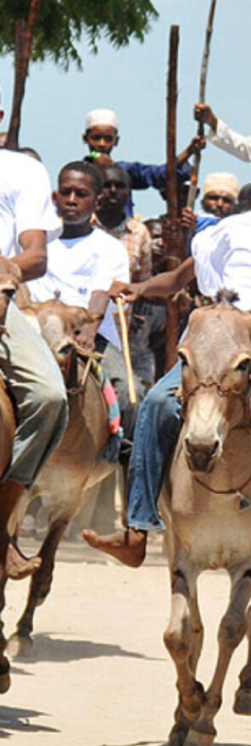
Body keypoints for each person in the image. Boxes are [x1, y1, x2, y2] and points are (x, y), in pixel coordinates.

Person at [82, 141, 251, 604]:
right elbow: (182, 280)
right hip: (221, 332)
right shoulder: (230, 229)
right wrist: (139, 287)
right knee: (158, 404)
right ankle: (138, 530)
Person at [0, 125, 69, 579]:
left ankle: (1, 524)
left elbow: (36, 255)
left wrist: (6, 267)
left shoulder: (22, 169)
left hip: (0, 297)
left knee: (49, 397)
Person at [31, 162, 136, 428]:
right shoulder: (38, 244)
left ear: (97, 200)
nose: (72, 200)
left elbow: (101, 292)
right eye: (66, 193)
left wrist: (88, 333)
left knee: (127, 391)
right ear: (55, 197)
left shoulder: (109, 248)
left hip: (92, 337)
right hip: (40, 335)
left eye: (81, 194)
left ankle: (123, 456)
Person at [93, 164, 161, 390]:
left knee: (130, 394)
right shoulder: (79, 227)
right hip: (83, 327)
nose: (112, 191)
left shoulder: (140, 233)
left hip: (123, 335)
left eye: (119, 186)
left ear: (129, 193)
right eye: (106, 185)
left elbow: (143, 284)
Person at [82, 108, 198, 217]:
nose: (102, 144)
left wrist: (189, 151)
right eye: (96, 138)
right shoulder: (77, 174)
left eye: (108, 139)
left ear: (116, 141)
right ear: (85, 139)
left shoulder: (125, 171)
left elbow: (161, 175)